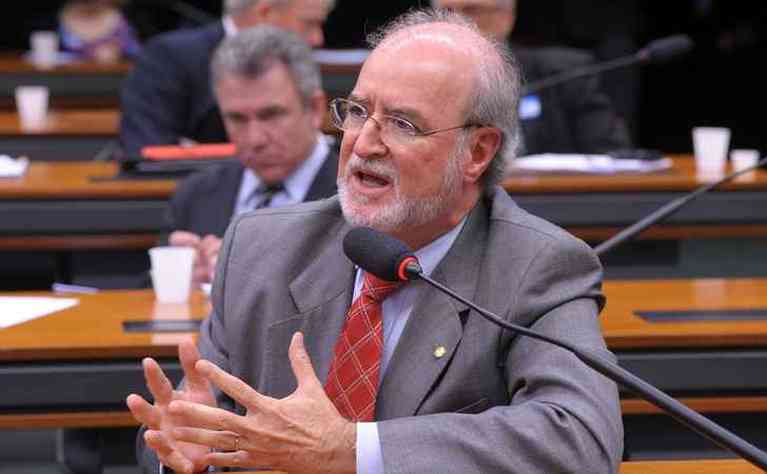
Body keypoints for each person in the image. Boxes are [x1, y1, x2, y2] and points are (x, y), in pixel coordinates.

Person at [127, 9, 623, 474]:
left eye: (403, 124)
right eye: (359, 112)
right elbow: (188, 425)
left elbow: (580, 436)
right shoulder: (260, 247)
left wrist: (352, 449)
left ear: (477, 151)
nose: (364, 143)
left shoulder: (537, 265)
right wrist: (188, 451)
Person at [163, 25, 338, 286]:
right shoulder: (195, 195)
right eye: (237, 119)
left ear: (314, 109)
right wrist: (180, 280)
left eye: (271, 115)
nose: (255, 139)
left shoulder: (355, 198)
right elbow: (143, 294)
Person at [119, 0, 334, 156]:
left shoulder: (299, 63)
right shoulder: (167, 57)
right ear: (265, 14)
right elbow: (147, 150)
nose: (318, 38)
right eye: (310, 23)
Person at [433, 0, 632, 155]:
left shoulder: (564, 73)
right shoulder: (418, 81)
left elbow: (611, 156)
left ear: (506, 17)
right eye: (446, 13)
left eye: (472, 11)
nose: (457, 23)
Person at [58, 0, 141, 62]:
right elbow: (60, 51)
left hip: (110, 76)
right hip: (70, 75)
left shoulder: (120, 21)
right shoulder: (67, 15)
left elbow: (136, 52)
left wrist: (117, 50)